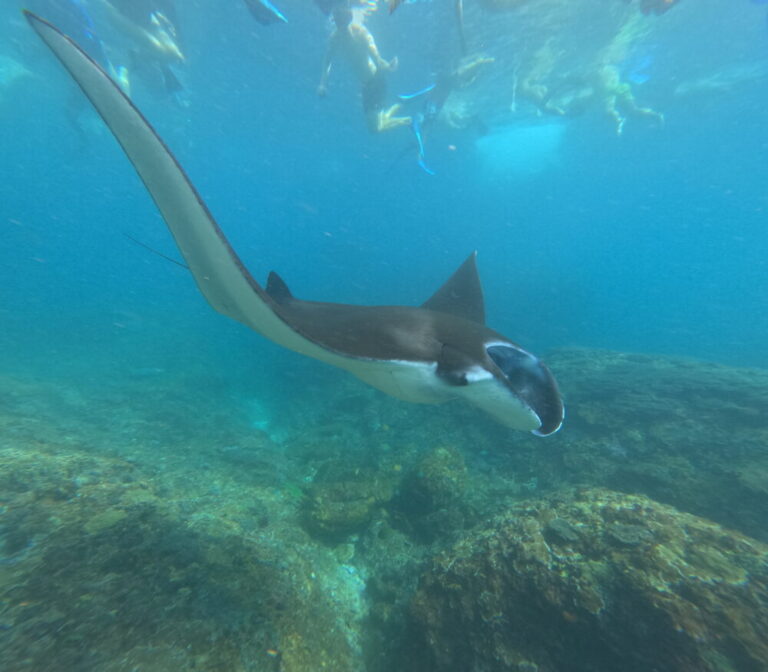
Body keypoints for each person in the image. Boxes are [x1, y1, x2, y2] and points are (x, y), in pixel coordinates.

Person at [317, 4, 411, 133]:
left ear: (349, 17)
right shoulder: (334, 38)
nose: (340, 21)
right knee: (375, 127)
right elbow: (327, 61)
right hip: (366, 85)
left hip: (376, 80)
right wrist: (323, 84)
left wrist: (385, 66)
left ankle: (408, 119)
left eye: (342, 16)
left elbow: (374, 54)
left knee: (375, 129)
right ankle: (399, 107)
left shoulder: (360, 31)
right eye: (337, 17)